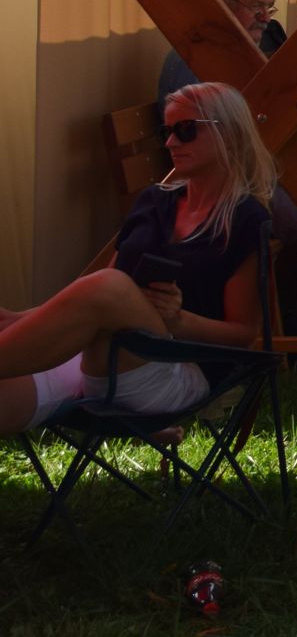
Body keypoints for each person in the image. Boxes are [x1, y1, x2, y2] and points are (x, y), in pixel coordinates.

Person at [0, 81, 274, 435]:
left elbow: (243, 335)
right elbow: (92, 301)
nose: (171, 143)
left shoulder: (246, 219)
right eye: (167, 131)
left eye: (185, 130)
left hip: (177, 371)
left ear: (231, 134)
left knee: (111, 286)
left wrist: (177, 320)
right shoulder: (154, 202)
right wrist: (21, 319)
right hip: (101, 357)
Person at [155, 0, 297, 331]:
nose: (265, 18)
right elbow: (224, 148)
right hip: (237, 190)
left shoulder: (240, 55)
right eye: (256, 7)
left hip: (261, 179)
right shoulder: (195, 57)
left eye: (269, 7)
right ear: (219, 2)